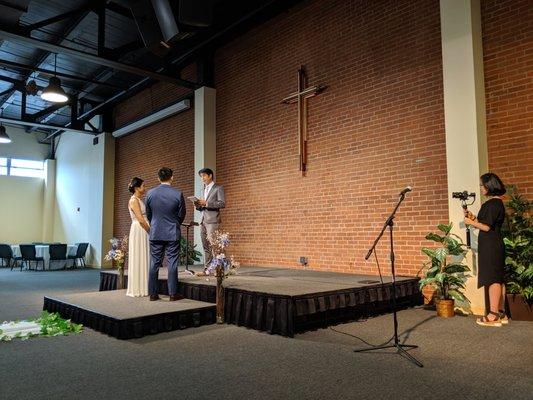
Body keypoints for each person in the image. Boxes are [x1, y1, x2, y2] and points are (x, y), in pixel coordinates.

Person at [464, 172, 507, 327]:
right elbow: (488, 223)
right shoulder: (497, 204)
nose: (481, 188)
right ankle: (501, 313)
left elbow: (487, 227)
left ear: (490, 185)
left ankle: (493, 315)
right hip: (494, 244)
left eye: (482, 185)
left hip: (491, 246)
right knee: (497, 277)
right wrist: (474, 218)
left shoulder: (492, 204)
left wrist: (471, 222)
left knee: (493, 278)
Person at [145, 167, 186, 301]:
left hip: (156, 232)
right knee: (172, 263)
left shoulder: (150, 193)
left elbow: (149, 214)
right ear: (172, 177)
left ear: (158, 178)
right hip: (172, 232)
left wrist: (155, 224)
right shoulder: (177, 193)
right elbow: (182, 214)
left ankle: (152, 294)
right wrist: (175, 223)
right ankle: (173, 294)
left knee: (154, 263)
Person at [194, 168, 225, 275]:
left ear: (210, 175)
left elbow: (222, 203)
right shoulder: (203, 189)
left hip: (212, 221)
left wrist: (206, 203)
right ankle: (207, 270)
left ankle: (218, 270)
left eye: (204, 176)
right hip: (202, 220)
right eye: (201, 176)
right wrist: (198, 205)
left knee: (214, 246)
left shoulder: (218, 188)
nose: (202, 178)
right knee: (205, 246)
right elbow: (202, 206)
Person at [126, 177, 150, 297]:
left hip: (142, 229)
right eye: (143, 185)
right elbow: (140, 219)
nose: (144, 188)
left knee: (144, 256)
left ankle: (144, 286)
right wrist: (150, 231)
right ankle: (138, 288)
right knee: (139, 256)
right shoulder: (134, 200)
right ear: (136, 188)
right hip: (140, 229)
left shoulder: (139, 199)